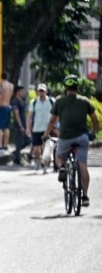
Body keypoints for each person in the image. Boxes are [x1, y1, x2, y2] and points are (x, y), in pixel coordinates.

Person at [42, 74, 99, 207]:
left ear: (65, 87)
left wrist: (45, 135)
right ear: (77, 87)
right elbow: (95, 120)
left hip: (65, 137)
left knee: (60, 156)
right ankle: (85, 196)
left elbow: (52, 121)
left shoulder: (59, 101)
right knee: (82, 164)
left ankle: (62, 168)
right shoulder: (85, 101)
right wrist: (93, 134)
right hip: (82, 138)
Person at [26, 83, 54, 174]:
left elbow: (56, 115)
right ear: (37, 92)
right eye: (40, 91)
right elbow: (30, 116)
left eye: (43, 91)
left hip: (48, 129)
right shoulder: (34, 102)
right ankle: (37, 160)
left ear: (46, 91)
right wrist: (28, 127)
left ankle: (45, 165)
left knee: (47, 148)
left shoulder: (51, 101)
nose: (41, 93)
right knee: (36, 149)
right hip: (37, 128)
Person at [0, 71, 14, 151]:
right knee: (6, 127)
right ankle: (5, 145)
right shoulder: (11, 85)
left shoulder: (1, 85)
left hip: (2, 107)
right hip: (8, 107)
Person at [11, 85, 30, 165]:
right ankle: (16, 159)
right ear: (17, 92)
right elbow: (16, 114)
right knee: (19, 142)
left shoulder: (21, 100)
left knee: (28, 141)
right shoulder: (15, 101)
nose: (23, 93)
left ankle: (15, 152)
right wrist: (21, 125)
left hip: (23, 124)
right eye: (22, 91)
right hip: (19, 125)